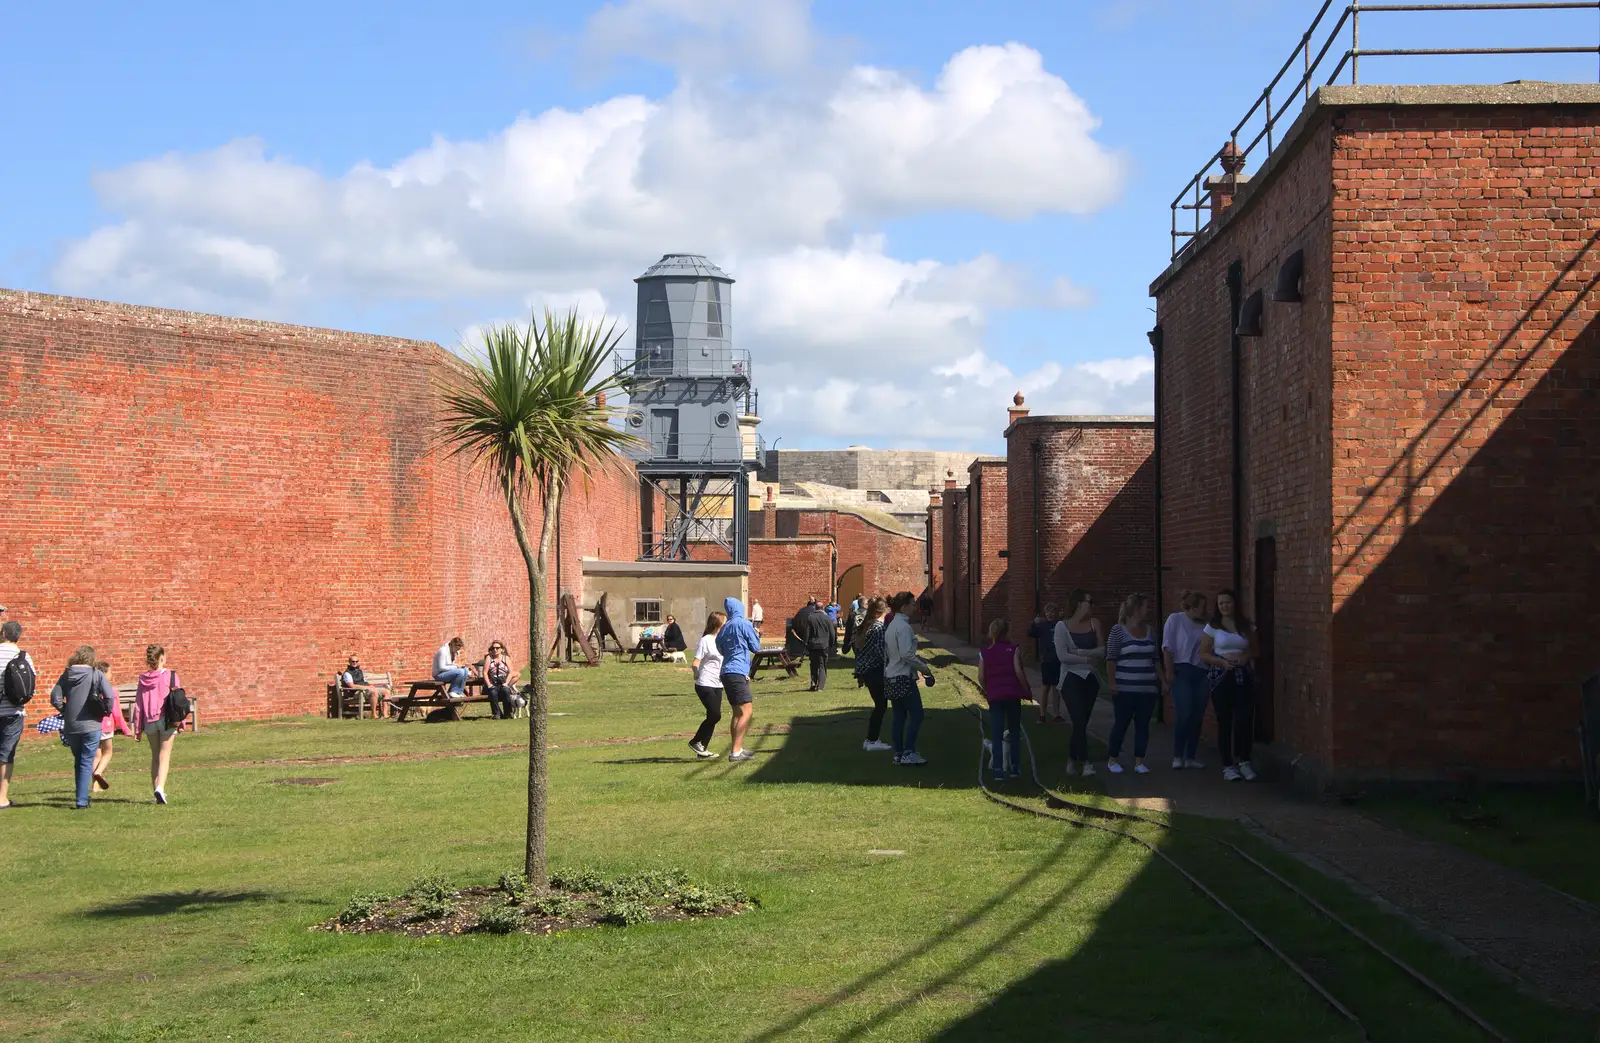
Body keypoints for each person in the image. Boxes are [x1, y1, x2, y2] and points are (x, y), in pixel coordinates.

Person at [50, 646, 119, 809]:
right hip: (92, 724)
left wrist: (65, 710)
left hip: (71, 726)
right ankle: (81, 800)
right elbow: (109, 696)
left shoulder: (66, 675)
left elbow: (55, 697)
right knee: (86, 760)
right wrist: (105, 711)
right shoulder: (96, 674)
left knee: (80, 760)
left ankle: (81, 796)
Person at [1201, 589, 1258, 782]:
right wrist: (1222, 662)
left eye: (1228, 602)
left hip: (1243, 677)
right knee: (1225, 721)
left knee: (1244, 718)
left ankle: (1244, 760)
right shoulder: (1213, 627)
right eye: (1221, 603)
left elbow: (1255, 649)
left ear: (1235, 604)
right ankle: (1228, 765)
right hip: (1222, 677)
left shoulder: (1246, 625)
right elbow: (1204, 653)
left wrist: (1244, 657)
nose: (1224, 606)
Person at [1105, 594, 1161, 775]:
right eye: (1145, 607)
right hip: (1124, 689)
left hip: (1147, 688)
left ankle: (1140, 761)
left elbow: (1155, 659)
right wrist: (1112, 682)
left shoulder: (1150, 631)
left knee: (1143, 725)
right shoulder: (1118, 631)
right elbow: (1111, 659)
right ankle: (1113, 758)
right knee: (1121, 724)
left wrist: (1163, 680)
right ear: (1136, 609)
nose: (1148, 610)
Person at [1054, 589, 1105, 777]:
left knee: (1081, 723)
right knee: (1079, 719)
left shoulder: (1094, 623)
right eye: (1088, 601)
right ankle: (1086, 763)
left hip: (1091, 679)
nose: (1091, 605)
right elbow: (1063, 656)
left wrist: (1079, 652)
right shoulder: (1062, 626)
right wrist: (1085, 659)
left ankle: (1071, 759)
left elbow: (1102, 651)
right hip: (1070, 679)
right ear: (1078, 603)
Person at [885, 591, 936, 765]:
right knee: (917, 714)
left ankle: (898, 754)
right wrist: (925, 668)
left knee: (899, 716)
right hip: (903, 677)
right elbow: (907, 654)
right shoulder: (904, 627)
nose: (915, 607)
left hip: (891, 675)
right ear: (905, 607)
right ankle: (908, 752)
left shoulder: (892, 625)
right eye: (913, 604)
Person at [1161, 591, 1210, 770]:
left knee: (1197, 715)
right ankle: (1177, 754)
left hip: (1201, 671)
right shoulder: (1176, 619)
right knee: (1185, 711)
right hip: (1181, 669)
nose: (1205, 611)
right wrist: (1169, 671)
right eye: (1202, 607)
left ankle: (1191, 756)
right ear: (1193, 606)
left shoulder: (1205, 625)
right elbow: (1168, 646)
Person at [979, 618, 1030, 781]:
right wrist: (1026, 689)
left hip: (996, 696)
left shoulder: (984, 653)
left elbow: (980, 676)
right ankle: (1014, 768)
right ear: (1006, 632)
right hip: (1012, 696)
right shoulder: (1013, 649)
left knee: (997, 732)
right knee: (1014, 731)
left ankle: (998, 770)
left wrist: (988, 690)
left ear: (991, 633)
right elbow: (1019, 672)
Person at [133, 644, 184, 804]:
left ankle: (157, 791)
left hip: (149, 720)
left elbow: (139, 704)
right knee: (164, 755)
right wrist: (180, 723)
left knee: (155, 756)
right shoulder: (171, 676)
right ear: (162, 658)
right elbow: (178, 701)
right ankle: (160, 788)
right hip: (166, 719)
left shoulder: (143, 678)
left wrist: (138, 727)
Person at [715, 597, 762, 763]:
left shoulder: (725, 627)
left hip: (726, 672)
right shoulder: (743, 624)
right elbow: (756, 647)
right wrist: (757, 635)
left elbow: (719, 648)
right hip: (737, 672)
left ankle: (738, 748)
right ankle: (735, 752)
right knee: (747, 711)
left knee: (737, 712)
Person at [0, 621, 35, 809]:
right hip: (14, 711)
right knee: (6, 754)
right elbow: (31, 688)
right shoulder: (24, 656)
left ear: (4, 633)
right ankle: (2, 797)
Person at [852, 596, 892, 751]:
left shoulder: (865, 626)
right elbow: (881, 651)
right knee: (881, 706)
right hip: (875, 670)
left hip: (865, 670)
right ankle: (871, 740)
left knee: (880, 705)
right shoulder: (878, 628)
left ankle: (872, 739)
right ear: (883, 610)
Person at [89, 659, 133, 792]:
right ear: (104, 674)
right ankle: (99, 772)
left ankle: (95, 786)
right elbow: (117, 714)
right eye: (110, 672)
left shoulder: (91, 690)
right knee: (108, 752)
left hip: (93, 726)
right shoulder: (111, 691)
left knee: (96, 756)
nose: (111, 674)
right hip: (106, 726)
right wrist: (126, 729)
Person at [688, 612, 725, 759]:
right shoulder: (706, 640)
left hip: (718, 684)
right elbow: (696, 662)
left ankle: (702, 749)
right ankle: (696, 741)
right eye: (724, 622)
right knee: (716, 714)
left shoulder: (722, 640)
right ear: (717, 624)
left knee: (713, 716)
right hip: (704, 683)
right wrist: (696, 673)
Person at [1027, 603, 1064, 724]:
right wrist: (1034, 622)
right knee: (1046, 687)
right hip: (1047, 661)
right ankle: (1042, 714)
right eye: (1048, 612)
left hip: (1058, 660)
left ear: (1057, 613)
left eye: (1053, 612)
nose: (1050, 614)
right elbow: (1031, 633)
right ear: (1045, 614)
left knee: (1057, 689)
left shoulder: (1060, 625)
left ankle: (1056, 714)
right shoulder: (1042, 626)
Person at [795, 596, 836, 692]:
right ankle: (820, 686)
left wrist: (806, 643)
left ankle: (813, 683)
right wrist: (831, 644)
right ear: (823, 608)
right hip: (824, 645)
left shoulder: (810, 618)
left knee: (813, 665)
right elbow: (832, 633)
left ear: (815, 608)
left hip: (813, 645)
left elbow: (807, 633)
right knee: (822, 665)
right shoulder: (827, 618)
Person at [479, 640, 518, 720]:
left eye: (497, 648)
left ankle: (507, 713)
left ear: (501, 649)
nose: (495, 650)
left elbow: (511, 672)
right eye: (493, 648)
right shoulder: (489, 658)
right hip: (492, 682)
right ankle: (497, 714)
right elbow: (485, 673)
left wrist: (506, 683)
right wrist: (489, 684)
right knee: (492, 692)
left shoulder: (506, 658)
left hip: (503, 682)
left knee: (506, 691)